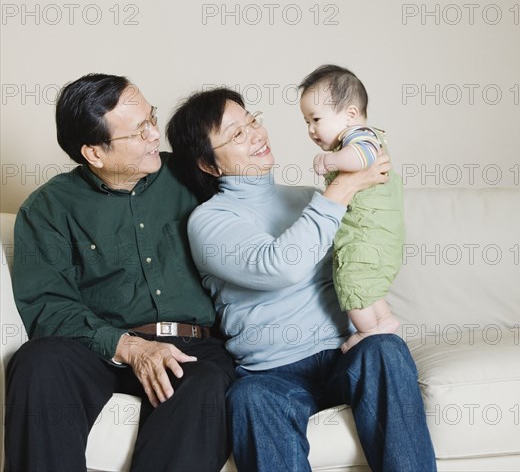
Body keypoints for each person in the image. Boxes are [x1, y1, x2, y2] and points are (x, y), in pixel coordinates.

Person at [167, 88, 436, 472]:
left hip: (346, 353)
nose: (257, 134)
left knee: (386, 349)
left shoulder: (308, 197)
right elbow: (280, 266)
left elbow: (363, 247)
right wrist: (340, 189)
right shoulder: (209, 222)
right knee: (250, 398)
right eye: (237, 134)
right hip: (274, 372)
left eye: (252, 121)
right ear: (209, 165)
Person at [5, 74, 236, 472]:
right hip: (98, 348)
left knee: (205, 385)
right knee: (37, 362)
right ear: (95, 153)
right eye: (139, 130)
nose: (155, 136)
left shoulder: (191, 175)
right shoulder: (48, 208)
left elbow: (253, 203)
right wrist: (128, 346)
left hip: (192, 348)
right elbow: (47, 307)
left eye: (151, 119)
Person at [298, 64, 405, 352]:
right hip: (378, 236)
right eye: (306, 121)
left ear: (350, 115)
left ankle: (368, 330)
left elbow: (362, 157)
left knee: (350, 279)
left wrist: (331, 161)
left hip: (367, 235)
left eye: (316, 119)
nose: (311, 129)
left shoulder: (360, 136)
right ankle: (384, 320)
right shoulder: (357, 136)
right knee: (367, 284)